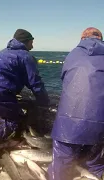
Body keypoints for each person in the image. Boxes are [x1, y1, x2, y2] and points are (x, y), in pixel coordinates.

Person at [0, 29, 49, 142]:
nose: (33, 45)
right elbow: (35, 83)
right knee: (15, 119)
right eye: (31, 42)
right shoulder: (26, 56)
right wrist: (45, 102)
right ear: (26, 41)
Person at [48, 27, 104, 180]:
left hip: (68, 123)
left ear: (82, 38)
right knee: (95, 162)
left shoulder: (73, 54)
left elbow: (64, 78)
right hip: (100, 125)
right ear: (100, 38)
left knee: (61, 164)